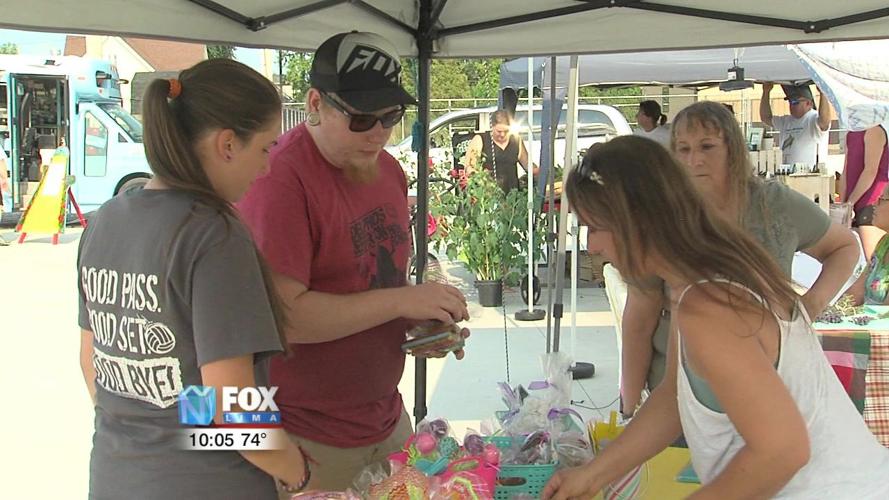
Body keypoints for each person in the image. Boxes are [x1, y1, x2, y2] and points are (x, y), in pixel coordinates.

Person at [542, 136, 889, 500]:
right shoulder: (700, 281)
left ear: (637, 222)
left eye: (595, 228)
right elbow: (674, 396)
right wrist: (593, 475)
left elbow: (783, 451)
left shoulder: (708, 306)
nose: (592, 246)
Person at [237, 31, 470, 492]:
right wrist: (403, 300)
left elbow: (372, 284)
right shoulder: (279, 178)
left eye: (391, 116)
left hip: (384, 418)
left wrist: (420, 325)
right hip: (307, 433)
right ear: (316, 104)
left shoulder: (387, 169)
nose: (379, 133)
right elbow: (288, 318)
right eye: (362, 118)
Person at [77, 59, 309, 499]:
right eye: (264, 149)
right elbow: (231, 405)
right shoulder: (213, 235)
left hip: (114, 478)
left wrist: (164, 430)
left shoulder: (105, 220)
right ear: (227, 144)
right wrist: (293, 466)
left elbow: (95, 365)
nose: (265, 168)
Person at [619, 101, 860, 419]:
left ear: (733, 149)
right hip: (681, 399)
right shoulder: (662, 217)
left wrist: (810, 306)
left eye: (707, 146)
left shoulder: (773, 204)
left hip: (768, 386)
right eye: (683, 149)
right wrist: (629, 407)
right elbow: (639, 320)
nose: (694, 160)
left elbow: (845, 247)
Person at [839, 124, 889, 260]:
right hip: (854, 200)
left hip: (872, 200)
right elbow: (845, 171)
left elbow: (870, 171)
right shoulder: (851, 132)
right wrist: (843, 205)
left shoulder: (874, 131)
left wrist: (850, 202)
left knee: (874, 259)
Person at [463, 110, 537, 193]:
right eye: (499, 131)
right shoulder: (480, 139)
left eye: (506, 131)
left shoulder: (516, 140)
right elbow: (469, 167)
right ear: (492, 126)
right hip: (488, 194)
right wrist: (483, 181)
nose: (502, 135)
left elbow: (527, 164)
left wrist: (538, 171)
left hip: (512, 194)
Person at [760, 83, 832, 168]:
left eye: (795, 102)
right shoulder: (786, 121)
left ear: (808, 103)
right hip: (787, 173)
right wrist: (766, 92)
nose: (791, 105)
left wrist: (823, 94)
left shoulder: (813, 118)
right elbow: (765, 117)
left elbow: (825, 121)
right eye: (790, 102)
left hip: (809, 175)